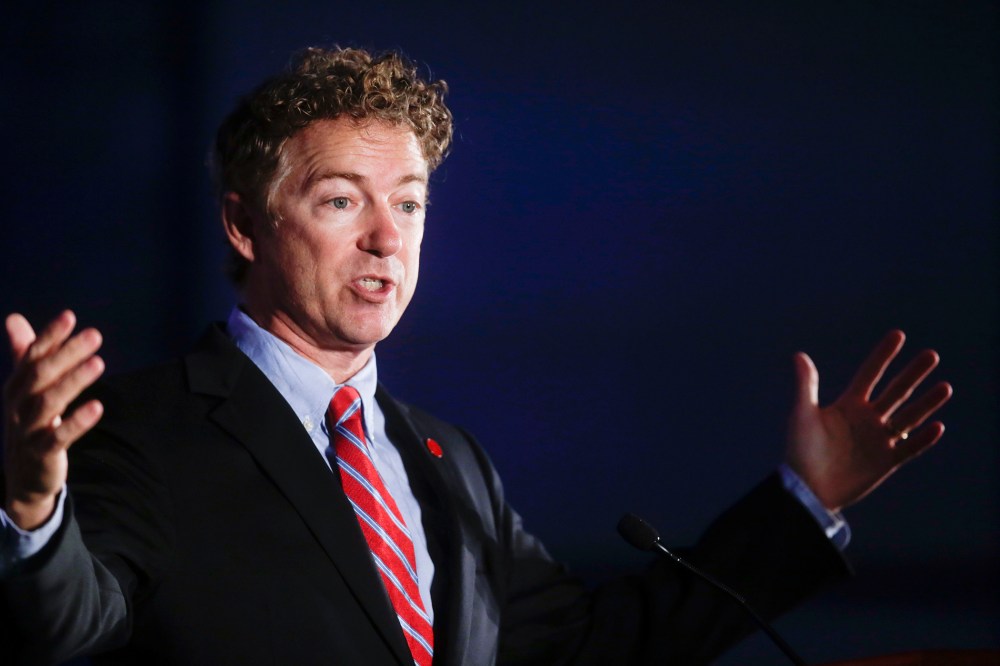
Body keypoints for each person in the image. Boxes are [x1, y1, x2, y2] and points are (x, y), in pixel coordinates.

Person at [0, 47, 952, 666]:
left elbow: (589, 650)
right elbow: (70, 627)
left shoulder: (446, 462)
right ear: (246, 224)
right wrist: (34, 508)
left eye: (408, 203)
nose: (387, 238)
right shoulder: (140, 426)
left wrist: (806, 502)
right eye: (342, 201)